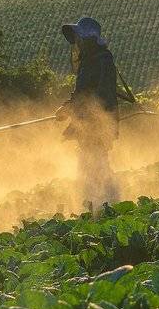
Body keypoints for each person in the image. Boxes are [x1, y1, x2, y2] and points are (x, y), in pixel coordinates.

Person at [56, 16, 135, 211]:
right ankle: (99, 204)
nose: (77, 43)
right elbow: (82, 92)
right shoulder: (90, 61)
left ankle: (107, 204)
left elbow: (100, 95)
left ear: (88, 39)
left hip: (98, 124)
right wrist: (68, 107)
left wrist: (75, 111)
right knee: (90, 165)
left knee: (95, 164)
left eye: (80, 38)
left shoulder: (102, 61)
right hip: (89, 123)